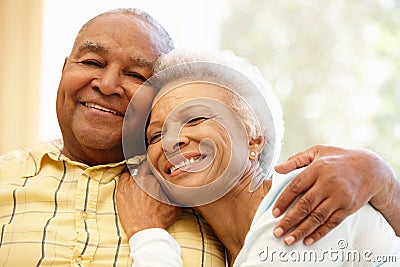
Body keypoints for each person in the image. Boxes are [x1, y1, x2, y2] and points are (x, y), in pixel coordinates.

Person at [121, 49, 400, 266]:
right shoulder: (229, 251)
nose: (171, 142)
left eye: (195, 118)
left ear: (253, 137)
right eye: (155, 136)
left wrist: (147, 234)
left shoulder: (301, 201)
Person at [0, 9, 225, 266]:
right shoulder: (4, 177)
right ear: (64, 70)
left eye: (136, 75)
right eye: (91, 62)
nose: (107, 85)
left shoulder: (204, 193)